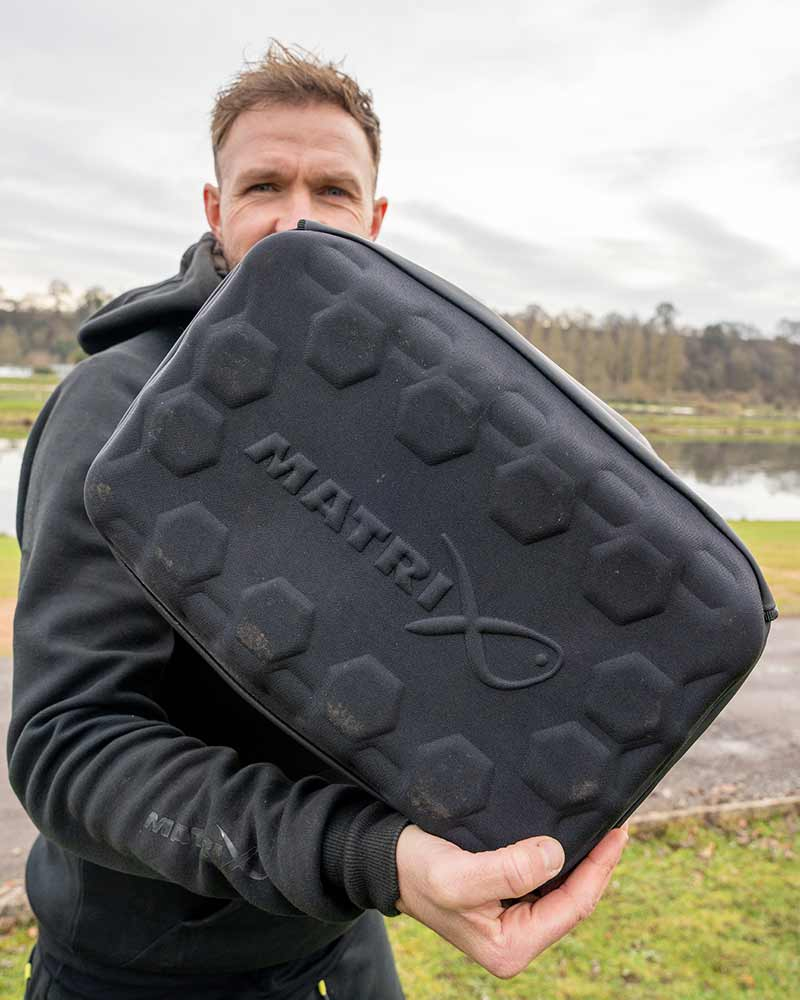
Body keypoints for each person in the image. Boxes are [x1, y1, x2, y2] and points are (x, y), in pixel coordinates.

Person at [8, 40, 629, 999]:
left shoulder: (403, 418)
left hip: (340, 938)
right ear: (214, 208)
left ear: (375, 220)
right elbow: (69, 743)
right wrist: (368, 856)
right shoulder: (120, 408)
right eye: (263, 184)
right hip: (145, 970)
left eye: (333, 190)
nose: (296, 216)